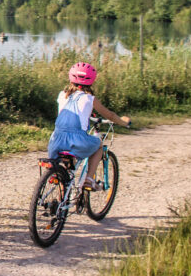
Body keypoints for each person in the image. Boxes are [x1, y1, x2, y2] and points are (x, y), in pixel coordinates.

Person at [47, 62, 130, 191]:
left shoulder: (62, 95)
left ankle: (61, 197)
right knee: (99, 146)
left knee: (64, 171)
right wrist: (123, 122)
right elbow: (110, 115)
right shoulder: (89, 98)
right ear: (92, 80)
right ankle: (89, 179)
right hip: (77, 140)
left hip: (55, 141)